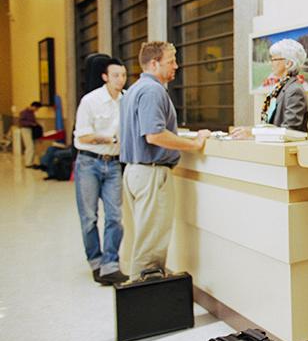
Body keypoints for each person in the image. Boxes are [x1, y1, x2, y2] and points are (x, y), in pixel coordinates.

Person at [119, 41, 210, 280]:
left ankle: (134, 289)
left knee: (139, 236)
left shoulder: (134, 90)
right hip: (152, 174)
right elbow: (155, 134)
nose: (176, 66)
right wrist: (194, 144)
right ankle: (144, 298)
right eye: (171, 61)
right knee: (151, 244)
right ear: (153, 63)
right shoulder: (152, 91)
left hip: (133, 172)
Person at [73, 58, 128, 285]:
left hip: (114, 164)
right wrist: (109, 138)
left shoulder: (126, 100)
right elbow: (82, 136)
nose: (121, 79)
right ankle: (95, 262)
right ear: (105, 77)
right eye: (116, 75)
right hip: (89, 163)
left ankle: (110, 265)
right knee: (89, 217)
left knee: (115, 216)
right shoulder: (90, 101)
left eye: (124, 75)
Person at [231, 39, 308, 138]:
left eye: (274, 59)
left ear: (288, 63)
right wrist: (251, 131)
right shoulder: (279, 87)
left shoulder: (295, 91)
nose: (270, 63)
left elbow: (289, 131)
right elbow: (270, 125)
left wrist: (252, 133)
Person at [19, 101, 43, 167]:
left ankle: (30, 162)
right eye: (37, 108)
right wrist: (31, 124)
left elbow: (34, 121)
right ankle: (28, 163)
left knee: (32, 146)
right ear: (34, 106)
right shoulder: (24, 112)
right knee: (29, 146)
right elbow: (21, 122)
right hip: (25, 129)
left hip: (31, 130)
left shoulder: (32, 113)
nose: (37, 110)